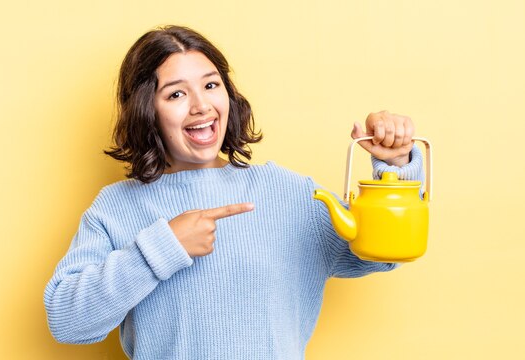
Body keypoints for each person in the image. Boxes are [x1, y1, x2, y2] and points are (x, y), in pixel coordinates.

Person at [44, 25, 423, 359]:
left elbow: (384, 252)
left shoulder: (288, 194)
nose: (201, 106)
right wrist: (162, 248)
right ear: (147, 110)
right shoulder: (116, 206)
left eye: (211, 85)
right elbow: (67, 322)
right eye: (176, 95)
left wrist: (396, 164)